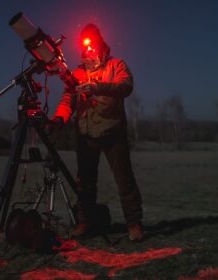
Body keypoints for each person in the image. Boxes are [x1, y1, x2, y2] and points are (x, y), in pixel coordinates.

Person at [50, 24, 143, 241]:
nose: (89, 49)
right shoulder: (78, 73)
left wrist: (98, 87)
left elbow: (126, 86)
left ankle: (134, 224)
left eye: (92, 44)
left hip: (113, 133)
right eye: (85, 45)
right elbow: (68, 100)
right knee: (85, 183)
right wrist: (59, 118)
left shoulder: (116, 65)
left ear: (100, 44)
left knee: (124, 181)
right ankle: (85, 222)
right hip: (85, 134)